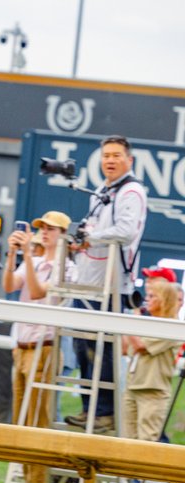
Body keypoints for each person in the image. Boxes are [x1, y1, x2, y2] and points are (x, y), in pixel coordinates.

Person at [65, 135, 148, 433]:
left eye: (116, 155)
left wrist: (91, 238)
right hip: (88, 280)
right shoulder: (101, 190)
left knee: (102, 350)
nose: (110, 160)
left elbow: (125, 231)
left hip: (112, 285)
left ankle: (104, 412)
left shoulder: (132, 191)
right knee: (83, 347)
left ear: (129, 160)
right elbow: (95, 229)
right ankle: (90, 408)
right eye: (105, 156)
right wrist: (82, 238)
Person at [3, 211, 74, 483]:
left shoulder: (67, 268)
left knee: (38, 418)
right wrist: (11, 255)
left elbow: (34, 291)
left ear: (63, 234)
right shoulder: (36, 261)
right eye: (42, 227)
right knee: (22, 417)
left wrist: (28, 257)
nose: (45, 232)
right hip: (22, 345)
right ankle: (26, 481)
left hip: (44, 347)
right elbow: (9, 286)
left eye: (51, 229)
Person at [121, 270, 183, 441]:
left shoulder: (170, 326)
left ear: (164, 300)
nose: (146, 300)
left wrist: (131, 320)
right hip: (133, 386)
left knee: (146, 442)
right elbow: (124, 349)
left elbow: (141, 346)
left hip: (152, 391)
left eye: (152, 296)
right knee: (127, 441)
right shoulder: (147, 322)